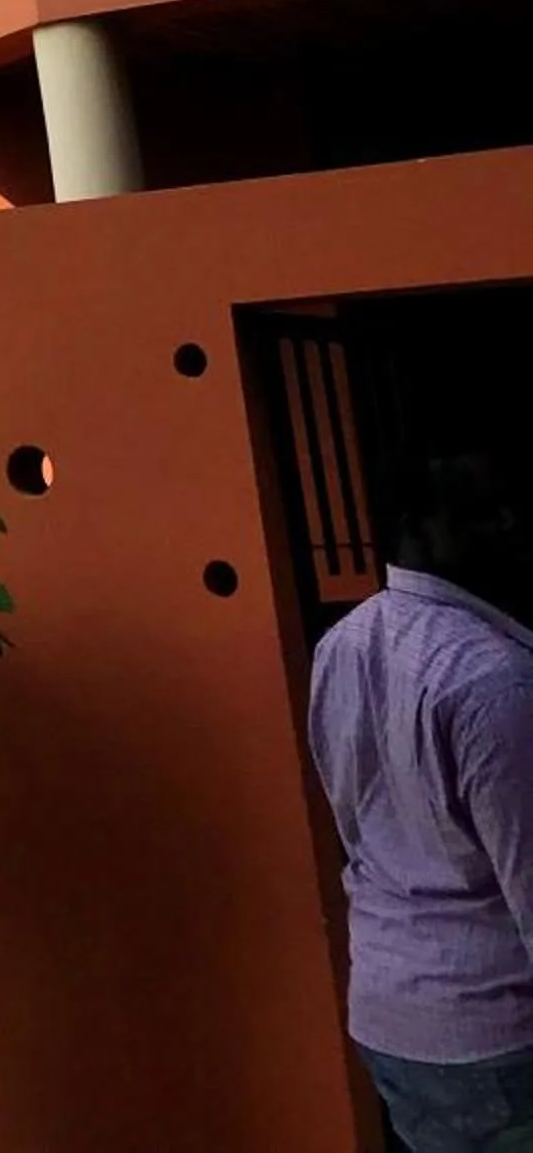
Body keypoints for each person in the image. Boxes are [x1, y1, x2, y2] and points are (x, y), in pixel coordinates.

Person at [310, 447, 533, 1152]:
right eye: (477, 514)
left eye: (506, 508)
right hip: (497, 1033)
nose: (506, 527)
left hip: (390, 1013)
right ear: (414, 525)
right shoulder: (494, 680)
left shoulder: (343, 644)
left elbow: (354, 818)